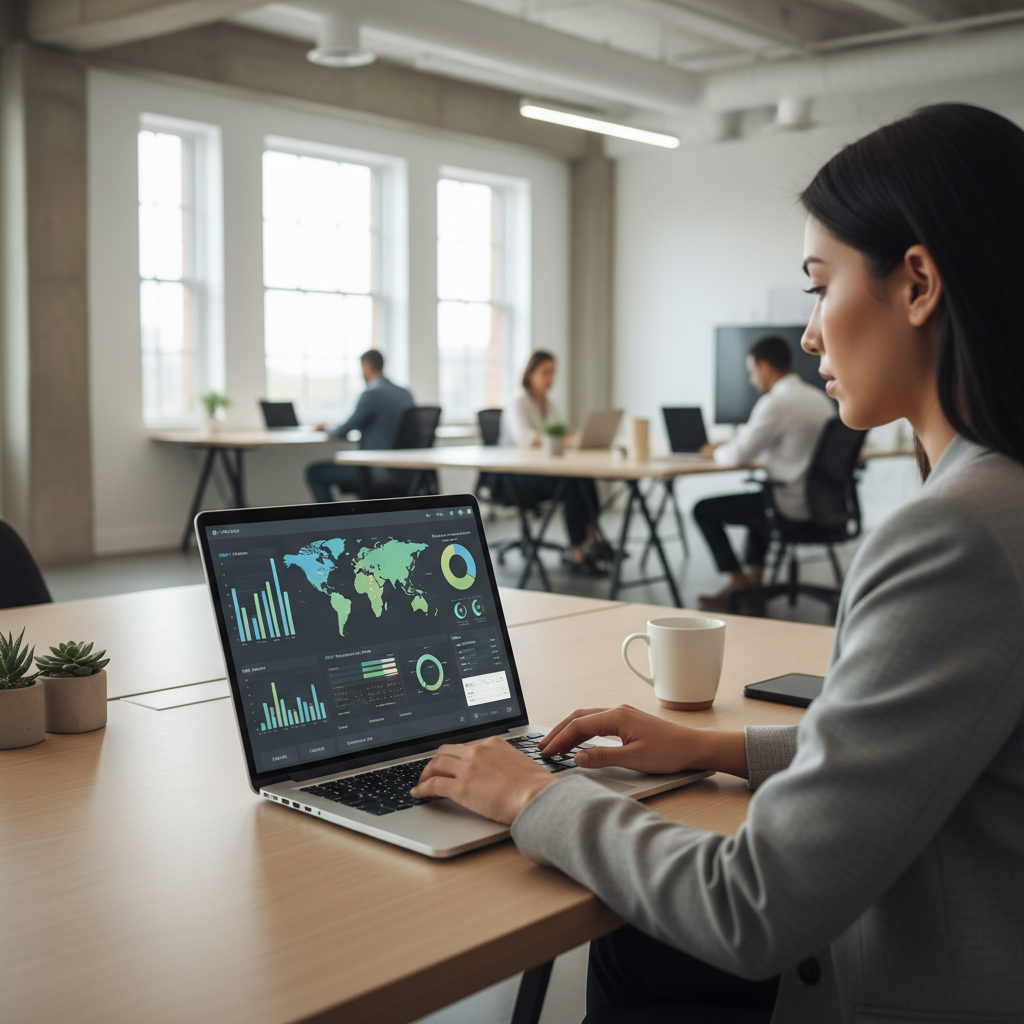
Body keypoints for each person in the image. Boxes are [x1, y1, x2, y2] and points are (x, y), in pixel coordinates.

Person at [410, 104, 1024, 1023]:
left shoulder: (955, 535)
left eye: (820, 286)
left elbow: (754, 906)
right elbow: (938, 746)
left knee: (634, 945)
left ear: (919, 283)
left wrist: (532, 793)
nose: (811, 333)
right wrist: (719, 746)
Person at [693, 335, 834, 611]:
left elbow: (736, 455)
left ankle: (738, 581)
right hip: (824, 504)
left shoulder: (776, 403)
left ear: (766, 368)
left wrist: (716, 452)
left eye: (752, 372)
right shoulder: (819, 398)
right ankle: (754, 584)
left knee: (703, 510)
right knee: (760, 499)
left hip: (788, 504)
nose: (752, 379)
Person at [501, 350, 609, 575]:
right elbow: (526, 439)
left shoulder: (550, 405)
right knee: (569, 485)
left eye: (553, 373)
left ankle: (592, 540)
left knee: (584, 478)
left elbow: (561, 432)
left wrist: (572, 439)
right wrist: (564, 438)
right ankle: (576, 552)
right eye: (545, 372)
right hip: (514, 476)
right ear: (530, 374)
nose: (550, 378)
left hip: (542, 471)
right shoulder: (518, 404)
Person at [305, 349, 413, 502]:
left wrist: (326, 428)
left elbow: (343, 430)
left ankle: (332, 524)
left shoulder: (372, 394)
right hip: (404, 472)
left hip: (373, 470)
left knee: (314, 472)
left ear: (367, 367)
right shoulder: (405, 393)